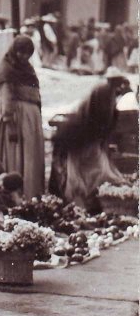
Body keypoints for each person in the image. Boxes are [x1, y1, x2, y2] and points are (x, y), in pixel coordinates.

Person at [49, 68, 130, 210]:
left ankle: (89, 202)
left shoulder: (110, 94)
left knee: (93, 170)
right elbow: (100, 118)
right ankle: (80, 203)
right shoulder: (104, 91)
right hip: (81, 138)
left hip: (88, 138)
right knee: (85, 172)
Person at [0, 35, 45, 199]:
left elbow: (37, 93)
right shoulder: (7, 70)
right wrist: (11, 124)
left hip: (30, 120)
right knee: (16, 156)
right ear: (15, 51)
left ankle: (32, 193)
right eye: (21, 52)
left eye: (28, 53)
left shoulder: (28, 69)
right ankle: (14, 194)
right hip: (16, 118)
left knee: (30, 157)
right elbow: (5, 99)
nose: (24, 56)